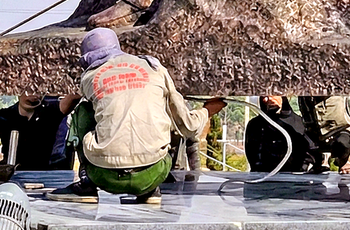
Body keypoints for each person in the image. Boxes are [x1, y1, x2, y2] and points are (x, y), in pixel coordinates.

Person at [47, 28, 225, 204]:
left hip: (104, 176)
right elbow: (188, 126)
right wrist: (207, 110)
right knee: (159, 105)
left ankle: (86, 185)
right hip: (155, 173)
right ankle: (151, 191)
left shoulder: (89, 77)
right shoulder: (155, 68)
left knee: (83, 111)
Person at [0, 94, 80, 170]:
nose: (34, 95)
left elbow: (74, 97)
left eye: (38, 89)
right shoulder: (4, 115)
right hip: (11, 173)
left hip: (45, 174)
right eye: (29, 90)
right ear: (18, 91)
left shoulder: (51, 110)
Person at [246, 96, 318, 173]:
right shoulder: (255, 125)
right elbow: (252, 154)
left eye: (272, 94)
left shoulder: (299, 123)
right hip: (261, 179)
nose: (267, 99)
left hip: (292, 180)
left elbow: (311, 153)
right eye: (264, 96)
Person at [298, 96, 350, 174]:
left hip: (340, 128)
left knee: (343, 144)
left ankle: (343, 160)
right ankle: (320, 161)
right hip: (313, 130)